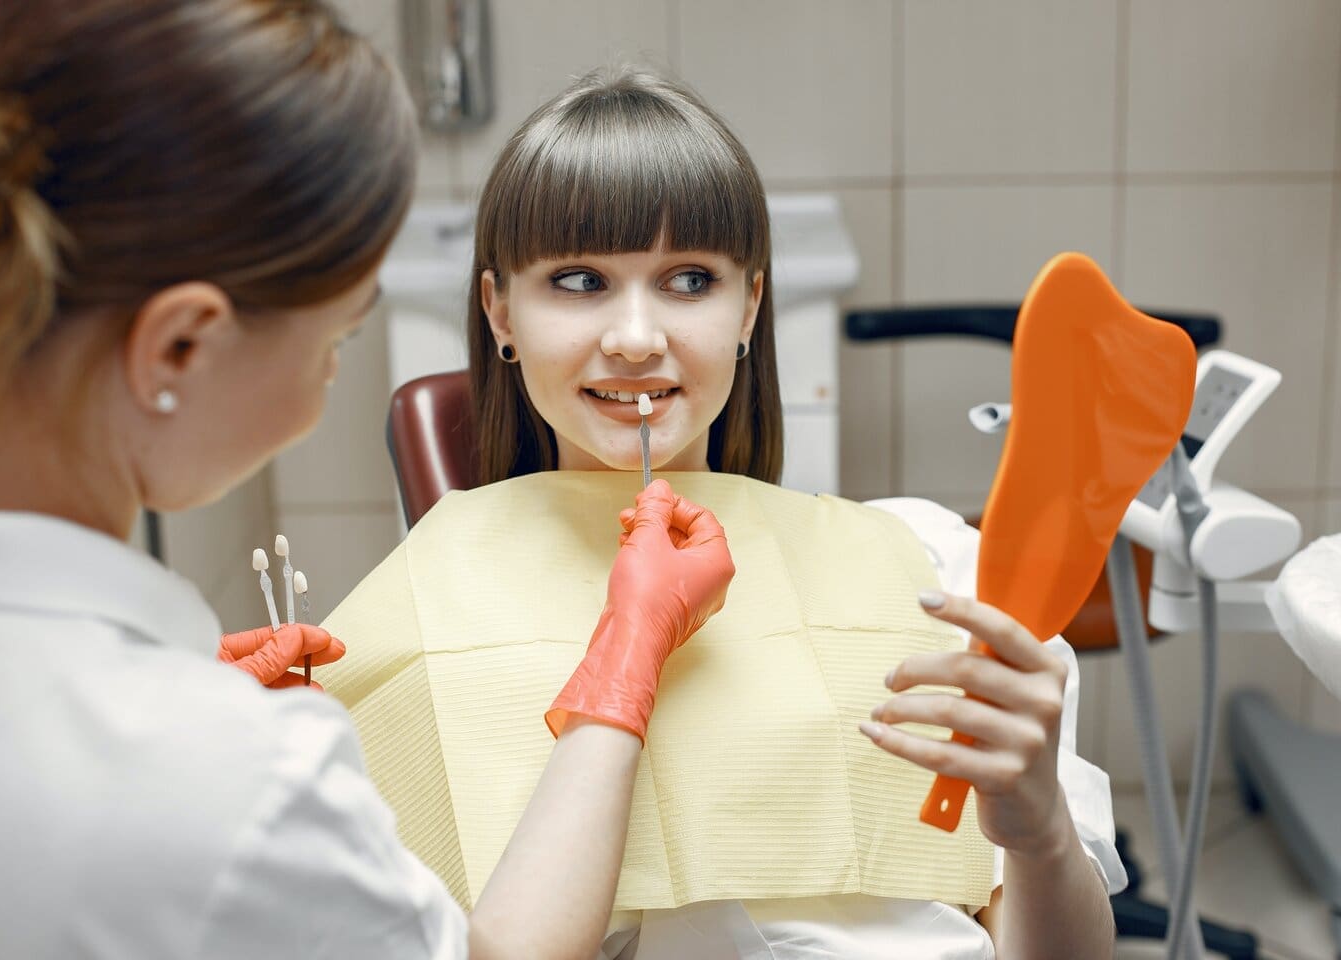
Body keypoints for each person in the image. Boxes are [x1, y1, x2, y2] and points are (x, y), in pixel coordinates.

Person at [0, 6, 734, 959]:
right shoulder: (241, 782)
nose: (635, 337)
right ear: (179, 344)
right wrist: (626, 662)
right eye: (335, 342)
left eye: (691, 280)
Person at [322, 67, 1123, 959]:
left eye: (690, 279)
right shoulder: (423, 602)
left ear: (751, 304)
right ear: (498, 310)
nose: (634, 337)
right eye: (580, 279)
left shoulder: (932, 564)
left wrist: (1042, 828)